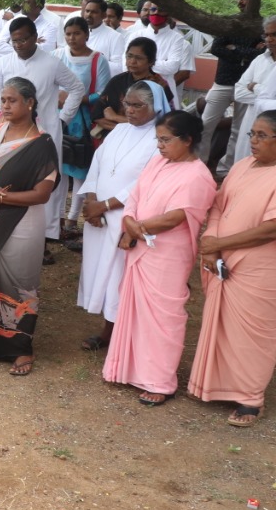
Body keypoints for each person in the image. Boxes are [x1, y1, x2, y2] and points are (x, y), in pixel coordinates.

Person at [102, 111, 216, 405]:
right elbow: (136, 195)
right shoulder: (158, 162)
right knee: (136, 311)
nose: (159, 146)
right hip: (141, 246)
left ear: (187, 140)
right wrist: (129, 221)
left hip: (168, 255)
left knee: (164, 317)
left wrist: (139, 228)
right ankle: (128, 369)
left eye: (165, 140)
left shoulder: (199, 176)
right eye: (158, 139)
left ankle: (161, 381)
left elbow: (178, 216)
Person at [0, 78, 60, 375]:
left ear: (30, 103)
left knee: (21, 284)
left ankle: (20, 348)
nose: (4, 105)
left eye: (12, 100)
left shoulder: (41, 144)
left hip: (22, 223)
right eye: (3, 100)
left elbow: (42, 193)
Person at [189, 109, 276, 427]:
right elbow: (217, 206)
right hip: (222, 259)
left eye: (263, 135)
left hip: (260, 268)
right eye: (253, 133)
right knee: (223, 326)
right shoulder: (241, 166)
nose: (253, 141)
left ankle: (251, 399)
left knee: (254, 335)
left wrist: (223, 245)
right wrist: (212, 242)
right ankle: (219, 385)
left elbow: (271, 229)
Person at [75, 82, 168, 351]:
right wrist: (91, 200)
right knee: (100, 272)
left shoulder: (159, 138)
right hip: (99, 217)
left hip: (124, 218)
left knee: (118, 275)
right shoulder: (118, 131)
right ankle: (108, 329)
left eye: (137, 105)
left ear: (155, 106)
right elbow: (97, 165)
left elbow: (144, 182)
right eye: (127, 103)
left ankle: (116, 332)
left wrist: (104, 205)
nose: (129, 109)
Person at [0, 17, 86, 250]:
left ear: (35, 37)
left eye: (23, 39)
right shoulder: (4, 63)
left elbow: (77, 88)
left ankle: (44, 240)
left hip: (45, 134)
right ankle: (8, 230)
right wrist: (9, 105)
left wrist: (63, 118)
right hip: (11, 134)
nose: (18, 44)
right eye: (14, 40)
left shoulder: (51, 63)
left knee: (45, 184)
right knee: (13, 180)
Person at [53, 17, 111, 235]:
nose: (72, 38)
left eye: (76, 33)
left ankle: (72, 218)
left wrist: (76, 98)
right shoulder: (57, 56)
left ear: (86, 34)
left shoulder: (98, 60)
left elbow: (103, 93)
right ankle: (56, 218)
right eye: (68, 34)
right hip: (58, 118)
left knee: (79, 171)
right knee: (58, 170)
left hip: (84, 122)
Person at [200, 0, 262, 175]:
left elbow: (261, 53)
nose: (242, 1)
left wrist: (233, 49)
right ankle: (199, 165)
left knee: (239, 130)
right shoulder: (228, 23)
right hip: (222, 83)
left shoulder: (259, 26)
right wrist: (245, 55)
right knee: (205, 125)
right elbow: (216, 48)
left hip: (245, 87)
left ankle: (226, 170)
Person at [92, 37, 174, 131]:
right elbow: (97, 116)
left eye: (139, 58)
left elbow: (156, 123)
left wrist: (115, 117)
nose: (132, 61)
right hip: (113, 137)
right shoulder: (117, 81)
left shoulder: (158, 86)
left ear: (151, 61)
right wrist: (121, 132)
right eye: (129, 56)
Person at [230, 16, 276, 164]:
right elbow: (238, 92)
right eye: (266, 35)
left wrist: (255, 87)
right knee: (245, 160)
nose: (269, 39)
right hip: (252, 120)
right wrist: (266, 99)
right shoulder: (259, 60)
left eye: (274, 34)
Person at [80, 0, 125, 78]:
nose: (89, 15)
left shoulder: (115, 37)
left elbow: (118, 68)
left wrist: (93, 60)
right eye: (87, 11)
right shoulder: (77, 32)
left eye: (94, 12)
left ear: (104, 15)